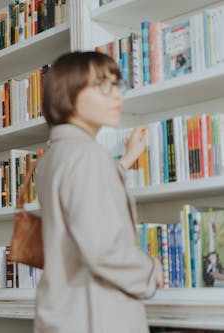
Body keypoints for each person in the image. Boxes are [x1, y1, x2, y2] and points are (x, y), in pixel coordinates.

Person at [35, 51, 163, 333]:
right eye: (102, 85)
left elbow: (84, 196)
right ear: (68, 93)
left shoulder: (53, 157)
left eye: (117, 85)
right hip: (97, 317)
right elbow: (102, 250)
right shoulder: (88, 156)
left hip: (65, 315)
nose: (116, 95)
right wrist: (149, 270)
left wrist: (126, 159)